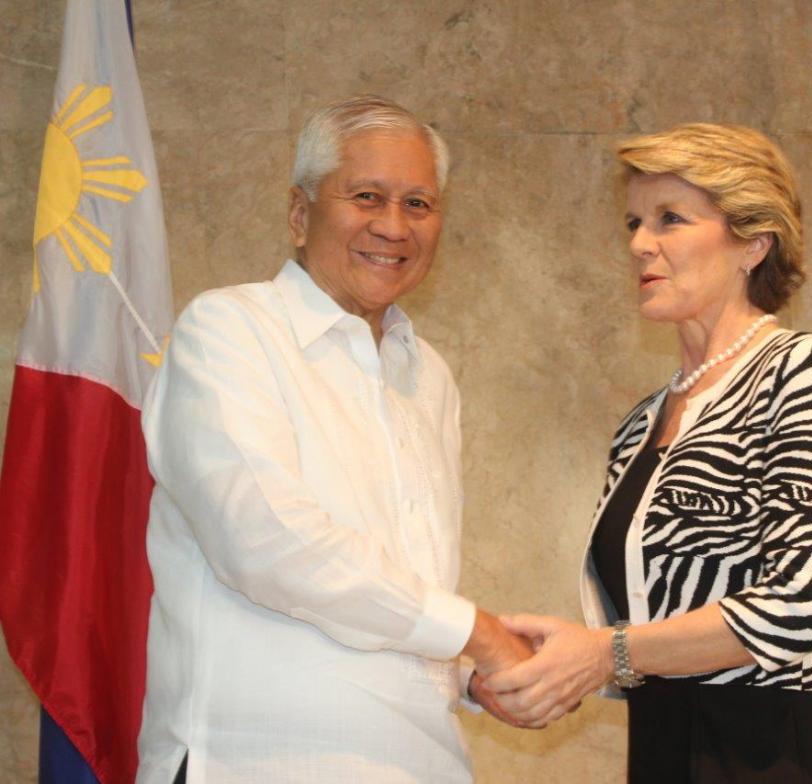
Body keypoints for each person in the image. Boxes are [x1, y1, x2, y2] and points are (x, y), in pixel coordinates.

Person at [136, 95, 528, 784]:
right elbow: (268, 542)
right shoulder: (229, 330)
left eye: (419, 204)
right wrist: (478, 634)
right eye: (367, 196)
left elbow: (402, 585)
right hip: (256, 764)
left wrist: (469, 676)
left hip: (421, 763)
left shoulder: (428, 374)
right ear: (298, 214)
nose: (393, 226)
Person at [486, 123, 812, 782]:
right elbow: (638, 628)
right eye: (634, 221)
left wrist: (607, 653)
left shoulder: (798, 368)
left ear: (753, 244)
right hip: (657, 748)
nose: (638, 244)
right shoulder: (639, 425)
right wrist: (550, 669)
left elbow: (802, 603)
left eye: (670, 219)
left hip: (766, 753)